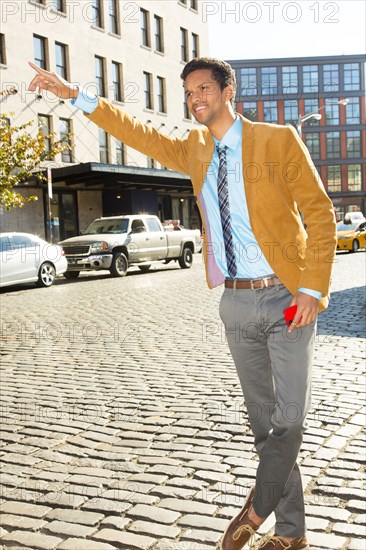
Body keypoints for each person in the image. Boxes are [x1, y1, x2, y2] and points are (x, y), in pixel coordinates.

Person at [28, 58, 336, 550]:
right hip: (235, 302)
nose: (196, 99)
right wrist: (73, 94)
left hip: (286, 296)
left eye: (205, 88)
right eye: (189, 91)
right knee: (264, 424)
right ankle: (292, 534)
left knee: (290, 420)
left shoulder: (278, 140)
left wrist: (312, 289)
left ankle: (256, 509)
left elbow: (321, 215)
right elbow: (135, 131)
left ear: (228, 90)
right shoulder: (194, 148)